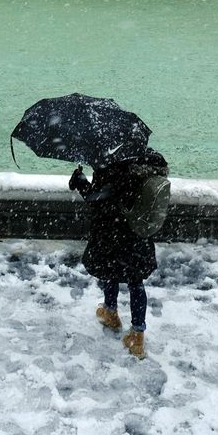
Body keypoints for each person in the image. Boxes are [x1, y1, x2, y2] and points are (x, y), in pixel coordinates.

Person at [68, 147, 168, 359]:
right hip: (138, 235)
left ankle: (111, 312)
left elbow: (99, 201)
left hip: (113, 233)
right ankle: (138, 334)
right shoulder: (146, 162)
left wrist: (80, 183)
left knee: (109, 271)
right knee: (135, 282)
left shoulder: (110, 166)